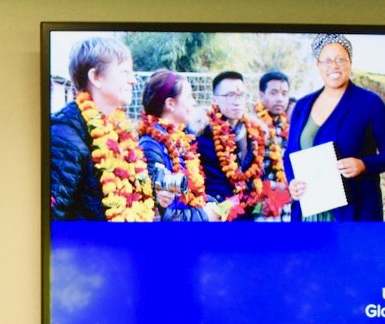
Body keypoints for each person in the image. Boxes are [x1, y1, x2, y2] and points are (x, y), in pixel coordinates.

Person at [284, 33, 385, 223]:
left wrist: (363, 165)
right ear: (318, 65)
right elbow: (290, 154)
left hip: (355, 213)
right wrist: (292, 182)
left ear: (350, 63)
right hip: (309, 214)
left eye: (340, 59)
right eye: (327, 61)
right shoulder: (302, 106)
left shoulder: (370, 103)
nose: (334, 66)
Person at [49, 35, 153, 222]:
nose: (133, 81)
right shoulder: (64, 136)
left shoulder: (120, 131)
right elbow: (51, 224)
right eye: (125, 72)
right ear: (96, 77)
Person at [195, 70, 273, 219]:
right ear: (215, 99)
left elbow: (258, 174)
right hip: (217, 214)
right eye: (230, 95)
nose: (237, 101)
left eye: (241, 95)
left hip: (250, 213)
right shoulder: (201, 133)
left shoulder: (255, 132)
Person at [136, 70, 206, 222]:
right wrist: (206, 216)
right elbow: (163, 215)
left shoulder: (180, 140)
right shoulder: (151, 145)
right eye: (188, 97)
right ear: (170, 104)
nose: (193, 102)